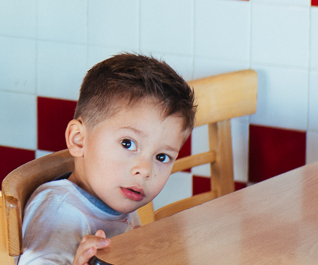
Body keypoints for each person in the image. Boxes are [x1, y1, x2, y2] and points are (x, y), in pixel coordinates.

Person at [18, 53, 195, 265]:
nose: (145, 170)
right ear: (79, 140)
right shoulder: (58, 212)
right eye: (127, 143)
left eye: (162, 156)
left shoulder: (118, 197)